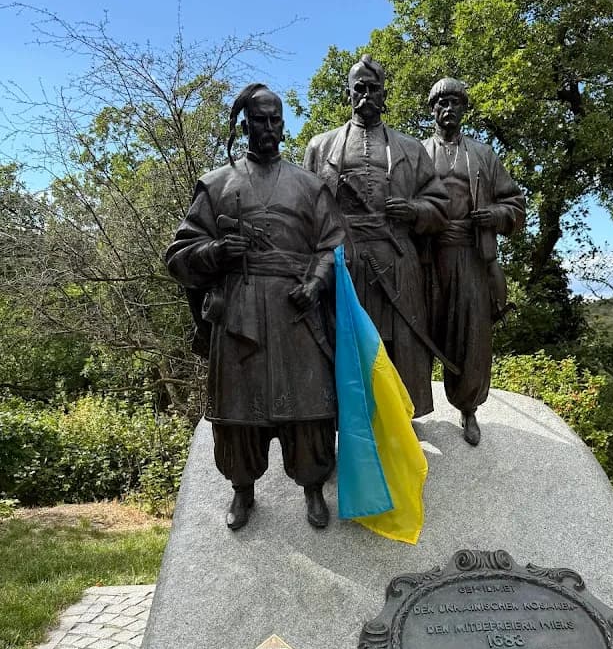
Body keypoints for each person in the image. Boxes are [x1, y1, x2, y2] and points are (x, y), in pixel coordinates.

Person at [166, 84, 345, 531]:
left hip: (296, 310)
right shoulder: (216, 185)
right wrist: (216, 251)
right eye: (259, 120)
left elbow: (335, 245)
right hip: (239, 312)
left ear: (284, 125)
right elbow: (178, 255)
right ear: (246, 125)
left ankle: (313, 488)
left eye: (275, 120)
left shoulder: (310, 185)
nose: (268, 128)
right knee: (239, 413)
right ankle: (242, 490)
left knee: (310, 407)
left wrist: (316, 282)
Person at [303, 55, 448, 418]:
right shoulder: (320, 147)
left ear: (385, 93)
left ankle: (401, 418)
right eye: (359, 89)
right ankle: (352, 421)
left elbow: (439, 204)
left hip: (396, 256)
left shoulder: (411, 148)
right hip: (343, 263)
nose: (366, 95)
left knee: (398, 343)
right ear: (348, 94)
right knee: (348, 343)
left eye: (373, 88)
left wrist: (414, 211)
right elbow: (304, 208)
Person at [423, 78, 525, 446]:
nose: (448, 109)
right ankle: (410, 409)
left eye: (455, 103)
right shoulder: (416, 152)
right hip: (426, 258)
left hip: (470, 254)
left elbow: (514, 203)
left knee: (471, 335)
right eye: (442, 103)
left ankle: (468, 408)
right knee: (418, 331)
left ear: (464, 110)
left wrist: (494, 215)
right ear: (432, 109)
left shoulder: (482, 155)